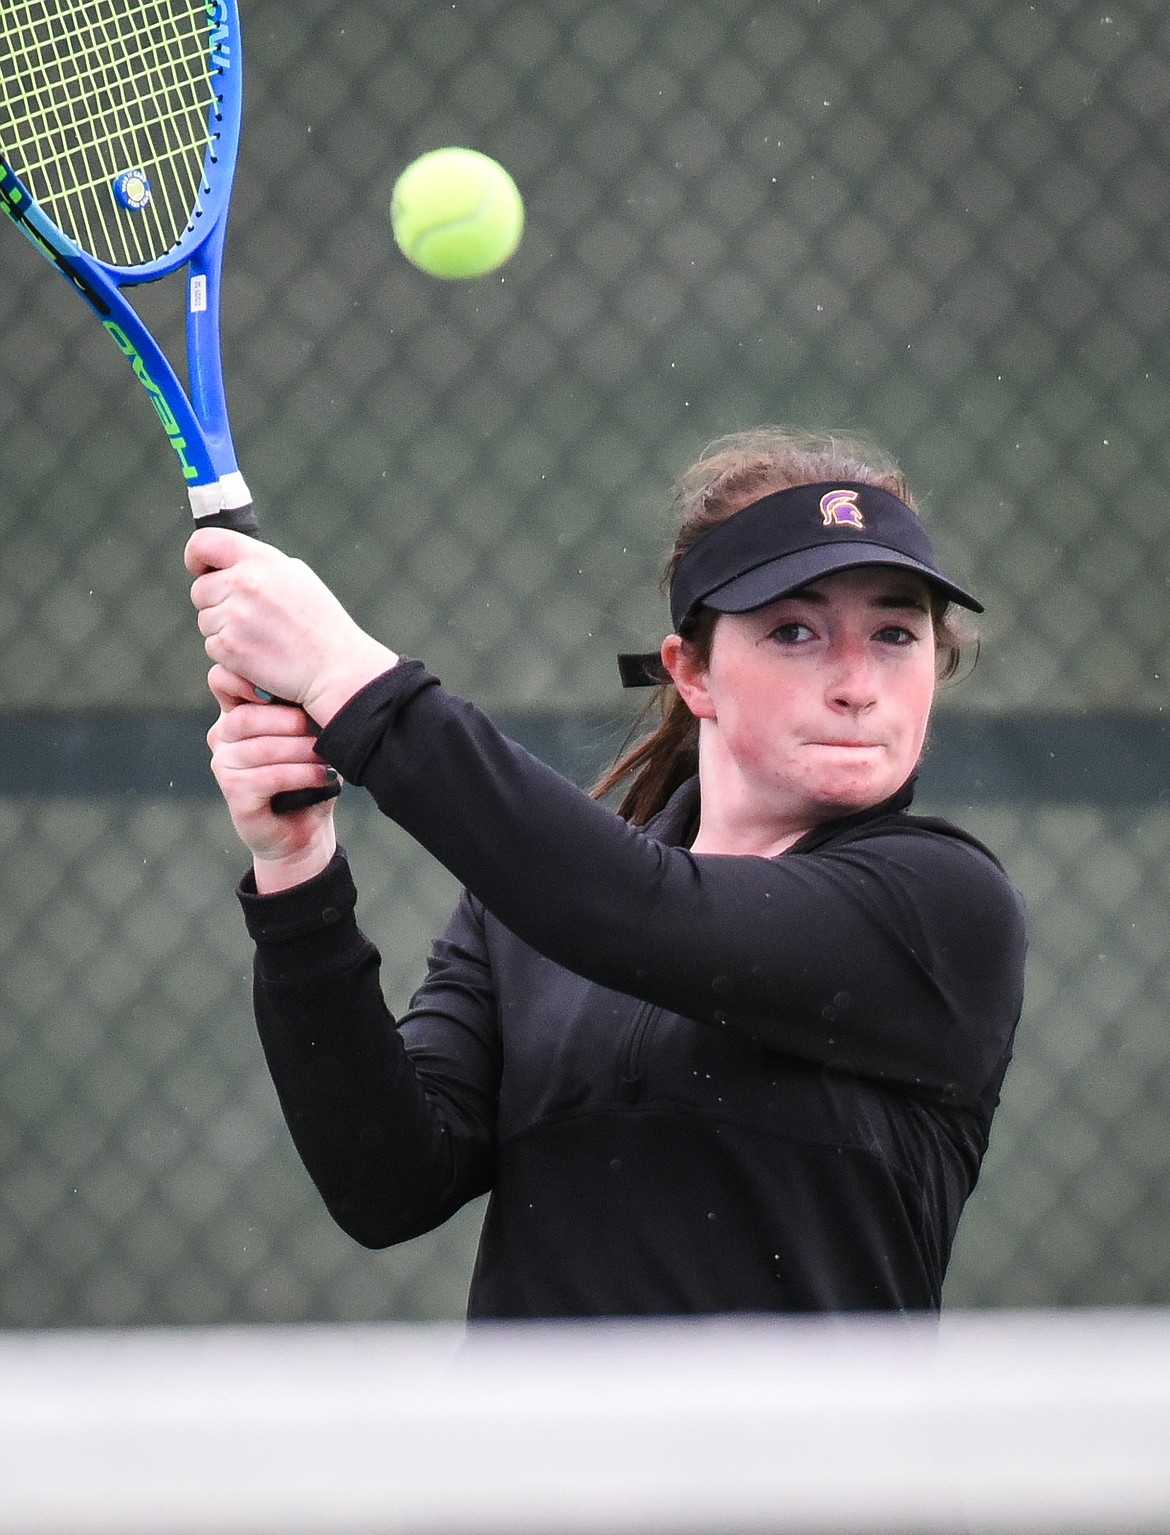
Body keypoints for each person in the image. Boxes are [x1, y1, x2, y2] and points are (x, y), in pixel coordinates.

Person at [185, 426, 1027, 1319]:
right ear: (692, 672)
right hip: (539, 1463)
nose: (858, 681)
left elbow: (641, 912)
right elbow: (386, 1182)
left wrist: (345, 677)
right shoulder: (527, 918)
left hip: (806, 1464)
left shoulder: (946, 907)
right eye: (794, 630)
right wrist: (298, 866)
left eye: (895, 633)